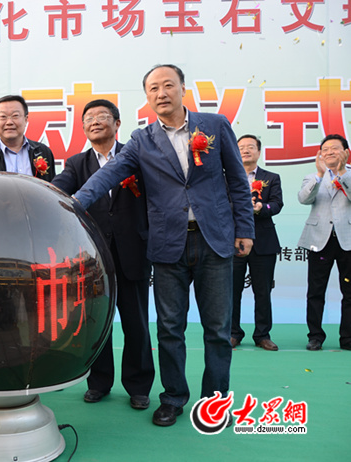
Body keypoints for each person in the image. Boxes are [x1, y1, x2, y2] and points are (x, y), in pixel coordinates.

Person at [73, 64, 255, 427]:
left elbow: (237, 180)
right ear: (147, 98)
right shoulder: (142, 140)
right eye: (153, 88)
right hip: (168, 244)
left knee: (218, 330)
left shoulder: (215, 125)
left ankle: (215, 402)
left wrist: (245, 228)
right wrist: (74, 202)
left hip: (214, 240)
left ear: (183, 89)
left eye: (168, 85)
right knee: (169, 329)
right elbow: (109, 173)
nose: (161, 93)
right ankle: (172, 398)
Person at [52, 99, 154, 410]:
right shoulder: (76, 163)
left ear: (117, 123)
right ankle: (99, 382)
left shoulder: (136, 157)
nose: (95, 121)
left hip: (133, 252)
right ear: (83, 128)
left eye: (102, 116)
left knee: (137, 324)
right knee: (96, 322)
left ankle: (138, 386)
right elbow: (58, 190)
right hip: (92, 257)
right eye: (89, 118)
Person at [298, 134, 351, 351]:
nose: (329, 152)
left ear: (346, 152)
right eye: (325, 149)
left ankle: (347, 338)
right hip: (320, 240)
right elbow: (304, 199)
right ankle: (315, 337)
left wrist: (342, 173)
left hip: (347, 240)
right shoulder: (312, 176)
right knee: (316, 291)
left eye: (334, 148)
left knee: (349, 292)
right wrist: (320, 175)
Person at [231, 135, 283, 351]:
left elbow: (277, 204)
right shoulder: (227, 176)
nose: (246, 150)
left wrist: (262, 208)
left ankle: (262, 334)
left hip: (264, 242)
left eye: (251, 147)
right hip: (234, 241)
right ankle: (233, 333)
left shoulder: (271, 177)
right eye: (241, 147)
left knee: (263, 291)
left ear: (258, 152)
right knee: (232, 291)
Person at [0, 95, 56, 180]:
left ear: (25, 119)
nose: (9, 122)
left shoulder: (42, 151)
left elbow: (50, 186)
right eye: (3, 117)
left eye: (15, 116)